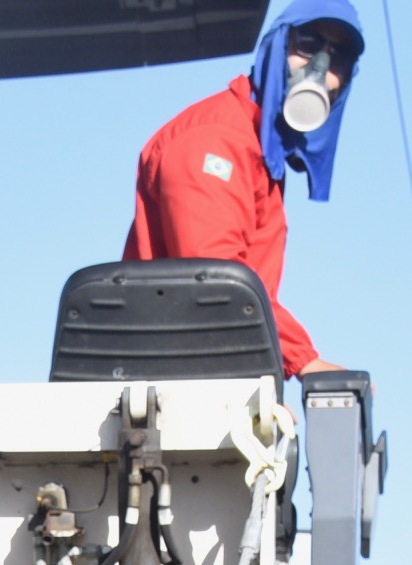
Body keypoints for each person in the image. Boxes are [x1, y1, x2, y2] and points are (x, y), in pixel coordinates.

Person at [125, 5, 361, 380]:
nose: (319, 67)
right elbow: (217, 283)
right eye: (309, 44)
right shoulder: (216, 140)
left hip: (211, 371)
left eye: (338, 56)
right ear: (276, 46)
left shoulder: (261, 154)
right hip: (169, 381)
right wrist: (303, 360)